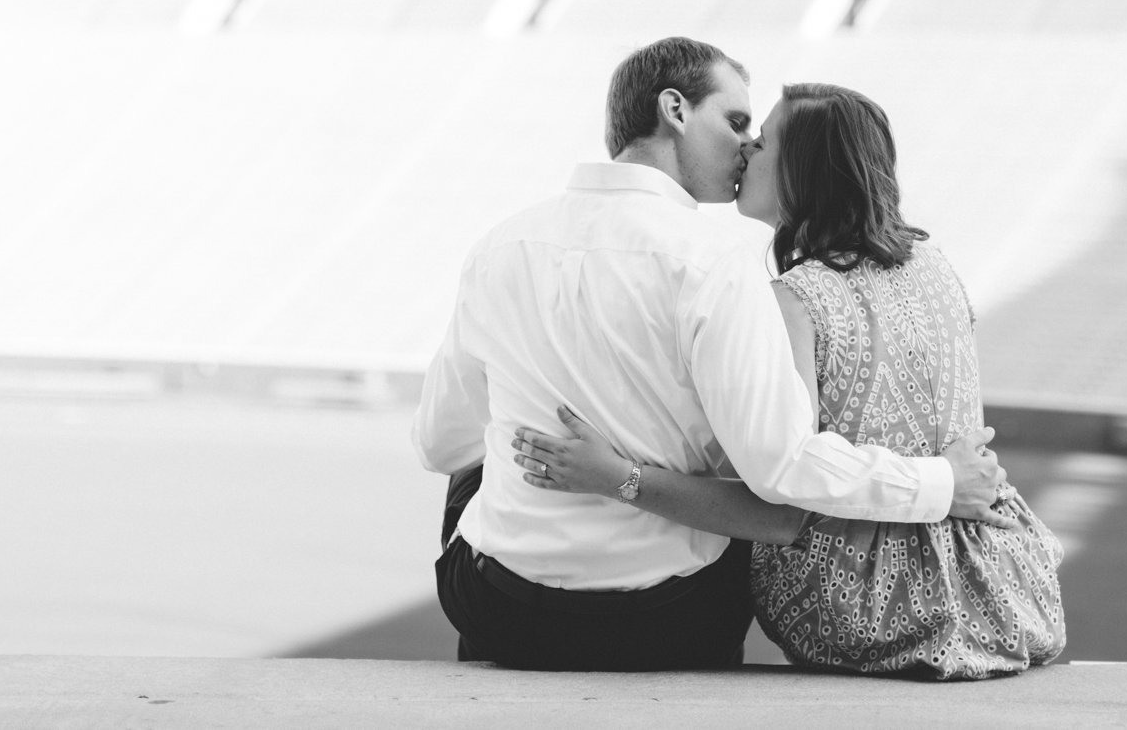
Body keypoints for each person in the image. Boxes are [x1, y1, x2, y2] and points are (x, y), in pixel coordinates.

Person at [413, 39, 1012, 672]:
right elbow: (779, 469)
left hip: (500, 610)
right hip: (668, 625)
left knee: (474, 467)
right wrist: (940, 482)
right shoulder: (719, 260)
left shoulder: (498, 247)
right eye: (734, 122)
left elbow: (438, 445)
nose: (745, 145)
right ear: (673, 109)